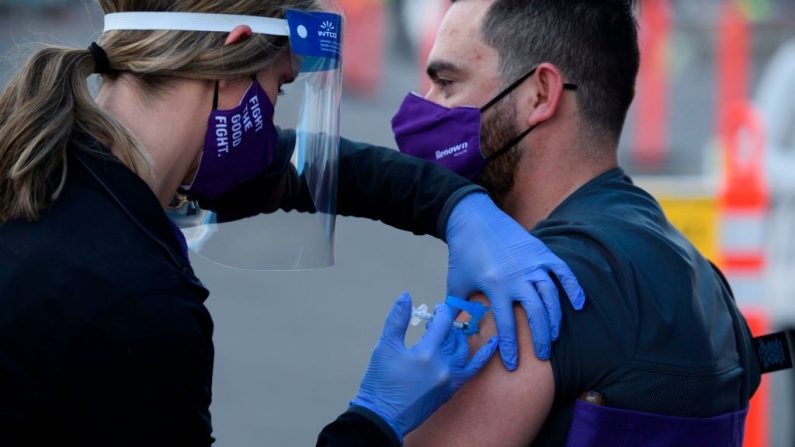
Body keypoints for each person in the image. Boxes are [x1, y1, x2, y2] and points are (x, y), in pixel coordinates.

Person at [0, 0, 588, 446]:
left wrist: (455, 207)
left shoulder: (43, 160)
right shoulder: (134, 305)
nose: (277, 114)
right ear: (233, 61)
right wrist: (375, 418)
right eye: (280, 86)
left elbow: (296, 166)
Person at [389, 0, 762, 445]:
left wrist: (368, 418)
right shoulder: (702, 277)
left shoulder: (529, 289)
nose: (425, 108)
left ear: (541, 94)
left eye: (447, 83)